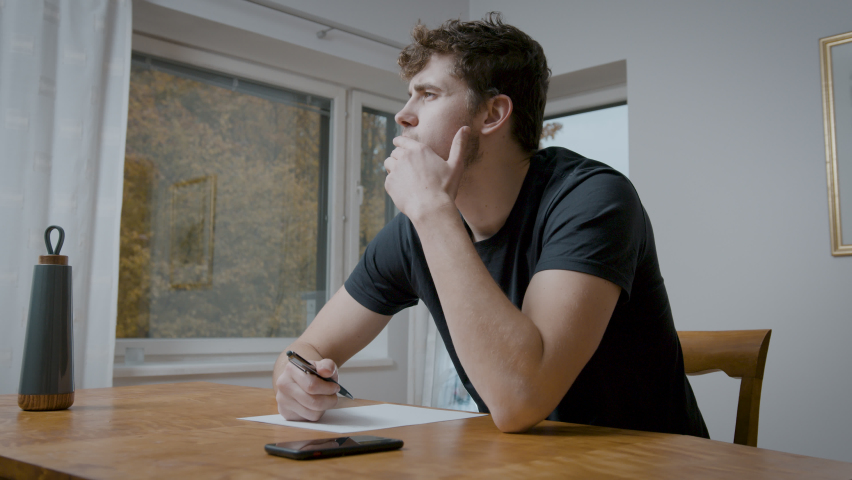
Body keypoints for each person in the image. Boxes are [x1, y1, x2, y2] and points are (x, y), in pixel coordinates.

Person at [272, 13, 709, 437]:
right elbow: (304, 352)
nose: (402, 115)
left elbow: (521, 401)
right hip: (527, 467)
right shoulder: (415, 231)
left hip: (651, 465)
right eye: (408, 96)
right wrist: (295, 382)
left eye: (428, 95)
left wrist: (431, 209)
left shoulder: (593, 199)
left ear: (492, 114)